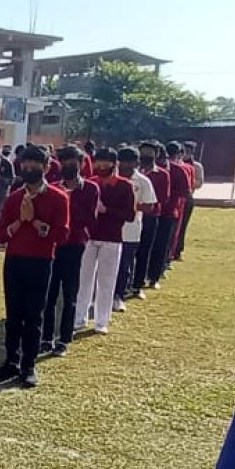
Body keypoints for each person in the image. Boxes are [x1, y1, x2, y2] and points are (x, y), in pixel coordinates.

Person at [0, 145, 70, 388]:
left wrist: (36, 222)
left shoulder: (58, 197)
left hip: (41, 261)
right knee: (13, 315)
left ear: (46, 167)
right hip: (14, 261)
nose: (28, 168)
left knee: (34, 316)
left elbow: (63, 235)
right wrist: (19, 222)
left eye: (34, 164)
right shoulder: (15, 198)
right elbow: (1, 234)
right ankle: (11, 361)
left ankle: (28, 366)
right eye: (25, 164)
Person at [41, 146, 98, 356]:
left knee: (70, 293)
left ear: (82, 163)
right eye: (64, 162)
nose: (68, 166)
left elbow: (89, 219)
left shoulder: (90, 189)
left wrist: (67, 201)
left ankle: (64, 338)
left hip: (75, 245)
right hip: (54, 246)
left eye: (73, 162)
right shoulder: (54, 188)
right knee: (50, 293)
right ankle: (46, 337)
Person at [75, 148, 136, 334]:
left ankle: (102, 321)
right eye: (98, 162)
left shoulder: (125, 186)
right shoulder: (90, 183)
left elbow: (130, 215)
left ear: (114, 164)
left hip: (112, 238)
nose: (101, 166)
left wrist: (106, 210)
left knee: (106, 280)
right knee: (84, 279)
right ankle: (79, 317)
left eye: (105, 163)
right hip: (90, 237)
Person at [114, 147, 159, 310]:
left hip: (131, 229)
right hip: (108, 229)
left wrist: (128, 206)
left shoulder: (143, 181)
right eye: (122, 161)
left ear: (136, 163)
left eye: (129, 162)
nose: (125, 165)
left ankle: (119, 296)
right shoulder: (111, 178)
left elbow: (149, 207)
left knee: (124, 265)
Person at [130, 142, 169, 298]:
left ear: (156, 155)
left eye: (149, 152)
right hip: (131, 217)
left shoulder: (162, 174)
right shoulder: (132, 173)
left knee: (145, 250)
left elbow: (163, 198)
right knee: (130, 250)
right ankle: (126, 282)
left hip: (150, 217)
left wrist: (141, 203)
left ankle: (139, 284)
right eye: (143, 151)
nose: (146, 154)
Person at [151, 141, 191, 285]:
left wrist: (171, 195)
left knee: (162, 245)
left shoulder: (177, 170)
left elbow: (186, 192)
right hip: (151, 213)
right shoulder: (146, 170)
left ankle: (156, 273)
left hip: (168, 212)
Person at [175, 141, 204, 260]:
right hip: (177, 198)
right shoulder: (178, 164)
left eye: (188, 151)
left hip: (188, 198)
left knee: (183, 226)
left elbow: (199, 183)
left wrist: (186, 181)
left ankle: (178, 250)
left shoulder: (196, 166)